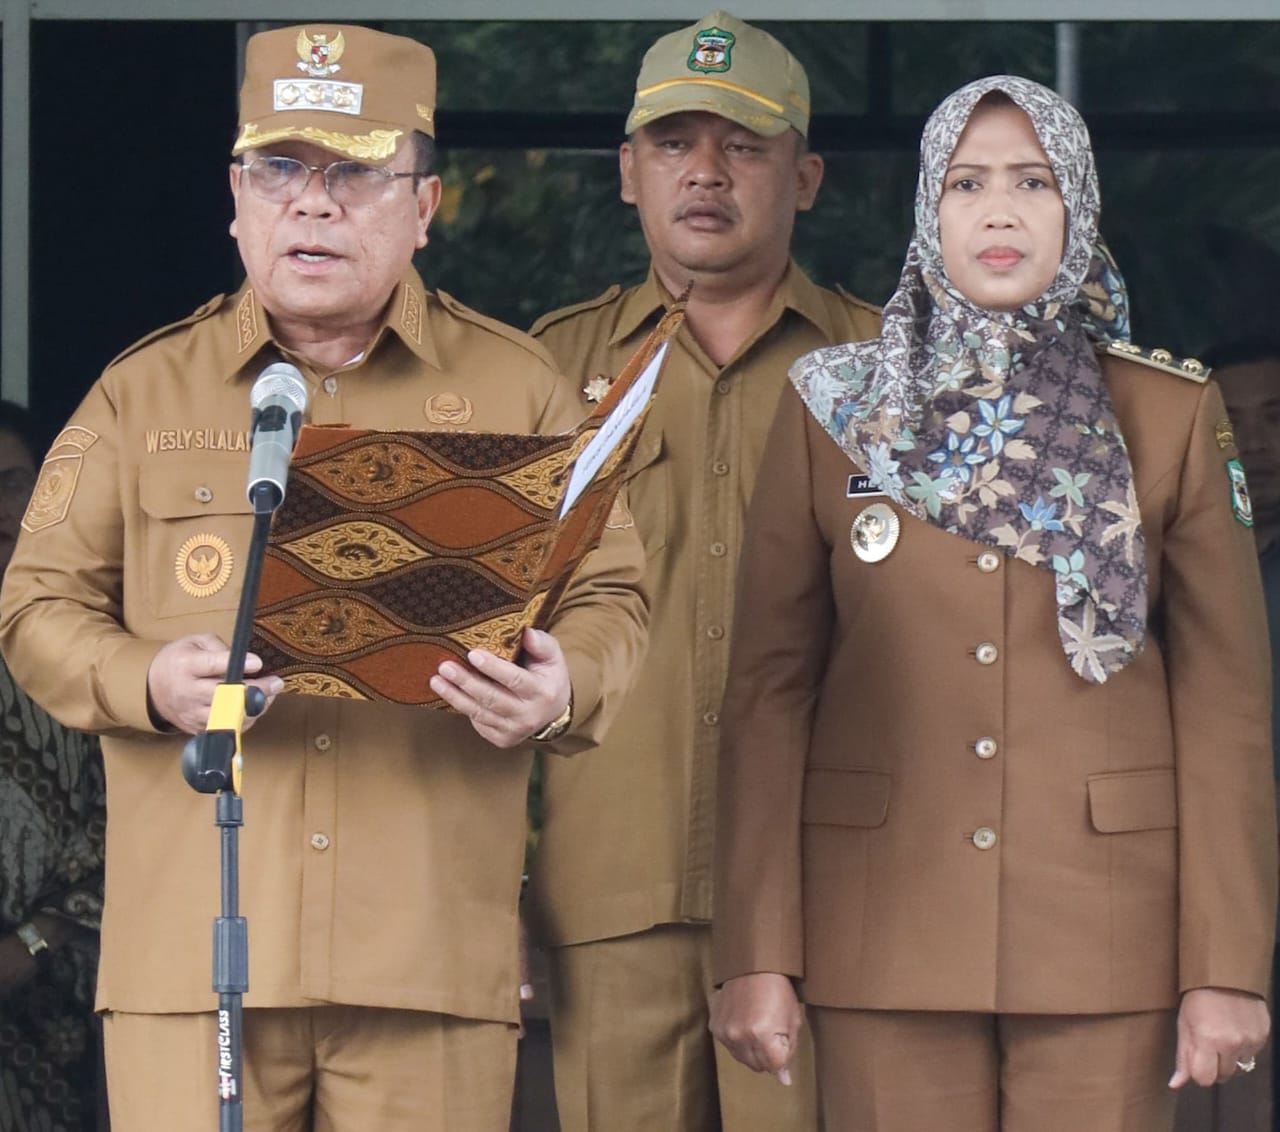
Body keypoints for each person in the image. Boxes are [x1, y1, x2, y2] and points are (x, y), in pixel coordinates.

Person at [0, 24, 646, 1132]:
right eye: (281, 169)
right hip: (192, 954)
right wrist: (143, 676)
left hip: (424, 959)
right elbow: (33, 605)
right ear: (236, 197)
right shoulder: (142, 390)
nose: (312, 202)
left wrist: (562, 688)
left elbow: (613, 596)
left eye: (352, 171)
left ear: (425, 206)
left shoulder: (519, 387)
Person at [709, 75, 1276, 1132]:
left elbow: (1224, 708)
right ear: (928, 209)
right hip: (881, 924)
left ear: (1079, 208)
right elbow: (766, 695)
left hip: (1105, 931)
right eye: (966, 183)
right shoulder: (837, 412)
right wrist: (756, 951)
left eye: (1033, 180)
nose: (1000, 210)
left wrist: (1225, 966)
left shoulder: (1167, 413)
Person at [525, 11, 879, 1130]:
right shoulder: (542, 372)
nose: (706, 173)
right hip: (602, 890)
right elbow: (472, 647)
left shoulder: (884, 374)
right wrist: (489, 886)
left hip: (832, 897)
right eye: (673, 143)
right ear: (628, 172)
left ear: (805, 175)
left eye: (744, 144)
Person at [0, 400, 107, 1132]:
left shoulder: (91, 640)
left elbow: (141, 812)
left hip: (59, 1002)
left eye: (9, 482)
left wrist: (36, 941)